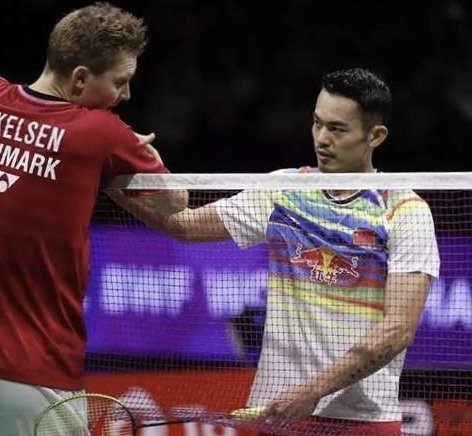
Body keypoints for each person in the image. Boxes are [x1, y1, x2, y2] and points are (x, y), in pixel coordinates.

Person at [110, 68, 440, 435]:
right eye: (317, 123)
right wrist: (118, 181)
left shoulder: (403, 211)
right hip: (279, 416)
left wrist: (312, 391)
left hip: (362, 422)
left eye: (337, 129)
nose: (322, 139)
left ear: (375, 136)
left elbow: (398, 329)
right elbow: (183, 226)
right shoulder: (285, 190)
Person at [0, 3, 186, 435]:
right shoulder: (102, 132)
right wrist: (138, 149)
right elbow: (175, 201)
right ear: (80, 78)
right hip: (35, 373)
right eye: (119, 82)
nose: (126, 95)